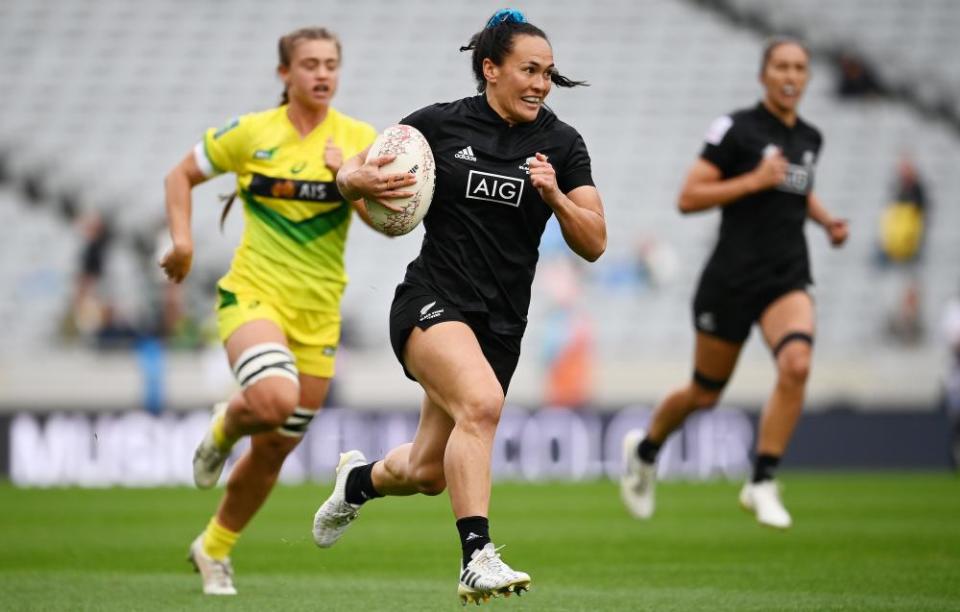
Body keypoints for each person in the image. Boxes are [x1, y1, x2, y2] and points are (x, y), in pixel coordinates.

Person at [311, 9, 606, 605]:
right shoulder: (436, 127)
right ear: (490, 69)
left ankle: (358, 481)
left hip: (501, 325)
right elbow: (354, 171)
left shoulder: (562, 144)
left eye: (548, 73)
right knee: (483, 403)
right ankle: (477, 556)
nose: (541, 84)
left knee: (425, 472)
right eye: (529, 70)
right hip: (431, 301)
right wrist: (355, 182)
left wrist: (553, 195)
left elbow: (595, 241)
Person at [160, 26, 378, 596]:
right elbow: (179, 175)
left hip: (319, 314)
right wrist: (182, 242)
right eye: (310, 64)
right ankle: (222, 426)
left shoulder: (358, 140)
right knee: (273, 399)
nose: (322, 73)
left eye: (331, 63)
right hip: (252, 295)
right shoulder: (252, 133)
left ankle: (213, 549)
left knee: (277, 445)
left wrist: (348, 179)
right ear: (285, 73)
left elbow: (387, 222)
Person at [621, 37, 849, 530]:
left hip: (786, 276)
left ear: (807, 78)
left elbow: (799, 190)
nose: (791, 75)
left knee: (797, 362)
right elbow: (689, 196)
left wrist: (828, 220)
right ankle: (644, 452)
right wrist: (753, 180)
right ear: (764, 75)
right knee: (705, 394)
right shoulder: (736, 130)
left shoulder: (810, 137)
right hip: (730, 279)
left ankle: (762, 480)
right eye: (782, 66)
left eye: (800, 68)